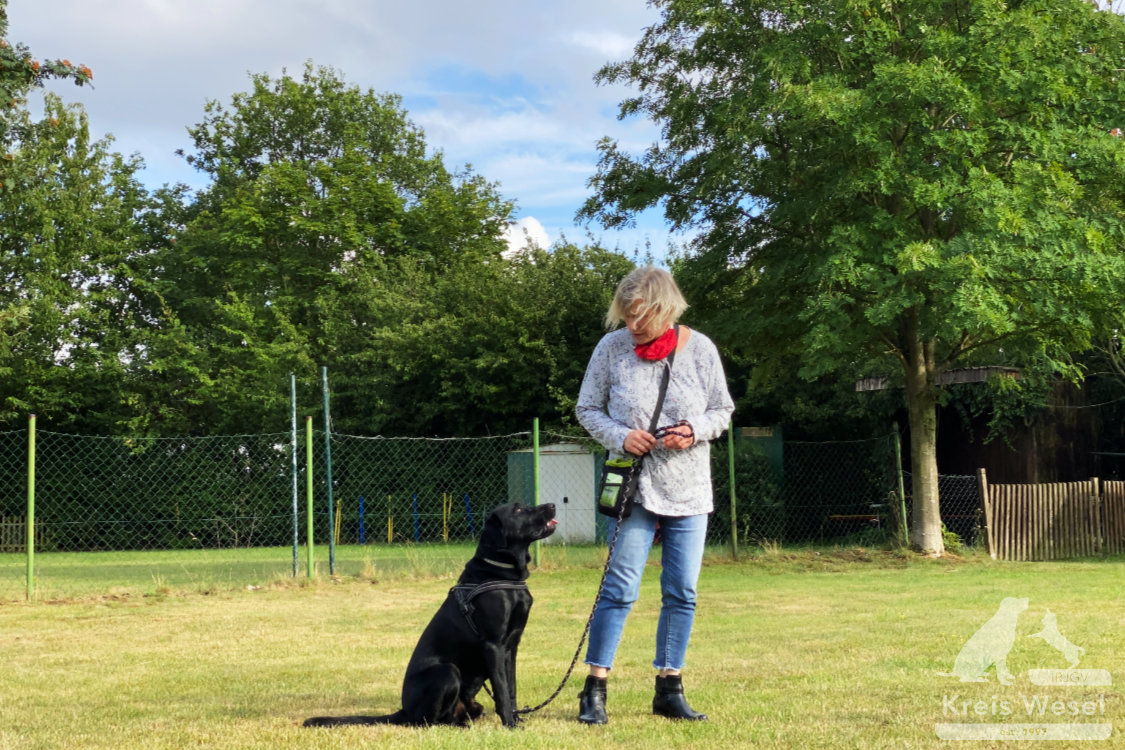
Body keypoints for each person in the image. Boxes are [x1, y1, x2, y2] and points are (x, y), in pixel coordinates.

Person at [574, 265, 735, 725]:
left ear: (666, 309)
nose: (631, 326)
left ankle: (669, 688)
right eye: (626, 317)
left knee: (681, 591)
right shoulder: (611, 349)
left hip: (689, 489)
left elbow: (722, 409)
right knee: (619, 587)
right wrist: (621, 436)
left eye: (640, 317)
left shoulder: (700, 349)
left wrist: (694, 430)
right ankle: (595, 691)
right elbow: (586, 408)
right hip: (634, 489)